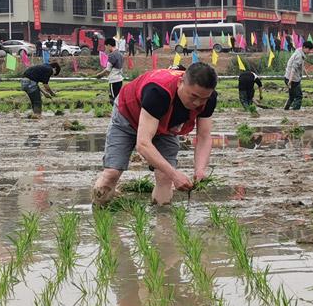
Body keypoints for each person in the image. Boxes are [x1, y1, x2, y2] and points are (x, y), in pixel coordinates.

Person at [92, 62, 218, 206]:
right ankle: (99, 216)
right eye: (193, 96)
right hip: (127, 117)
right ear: (180, 82)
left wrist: (200, 170)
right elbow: (143, 144)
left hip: (165, 127)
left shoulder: (209, 99)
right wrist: (175, 175)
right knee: (112, 173)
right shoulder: (158, 91)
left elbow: (204, 136)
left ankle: (163, 223)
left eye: (204, 99)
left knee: (165, 176)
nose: (197, 103)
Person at [283, 41, 313, 110]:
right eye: (309, 49)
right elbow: (293, 69)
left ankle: (286, 109)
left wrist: (308, 76)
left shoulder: (299, 52)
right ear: (304, 47)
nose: (309, 51)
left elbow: (302, 66)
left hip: (288, 77)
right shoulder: (299, 56)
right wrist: (290, 81)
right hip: (293, 79)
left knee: (292, 96)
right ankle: (295, 112)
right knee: (299, 96)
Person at [95, 37, 124, 104]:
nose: (106, 49)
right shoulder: (120, 54)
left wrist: (99, 75)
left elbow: (107, 70)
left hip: (114, 81)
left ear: (108, 45)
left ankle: (115, 114)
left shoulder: (112, 55)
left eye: (106, 47)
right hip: (120, 80)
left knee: (113, 100)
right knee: (118, 99)